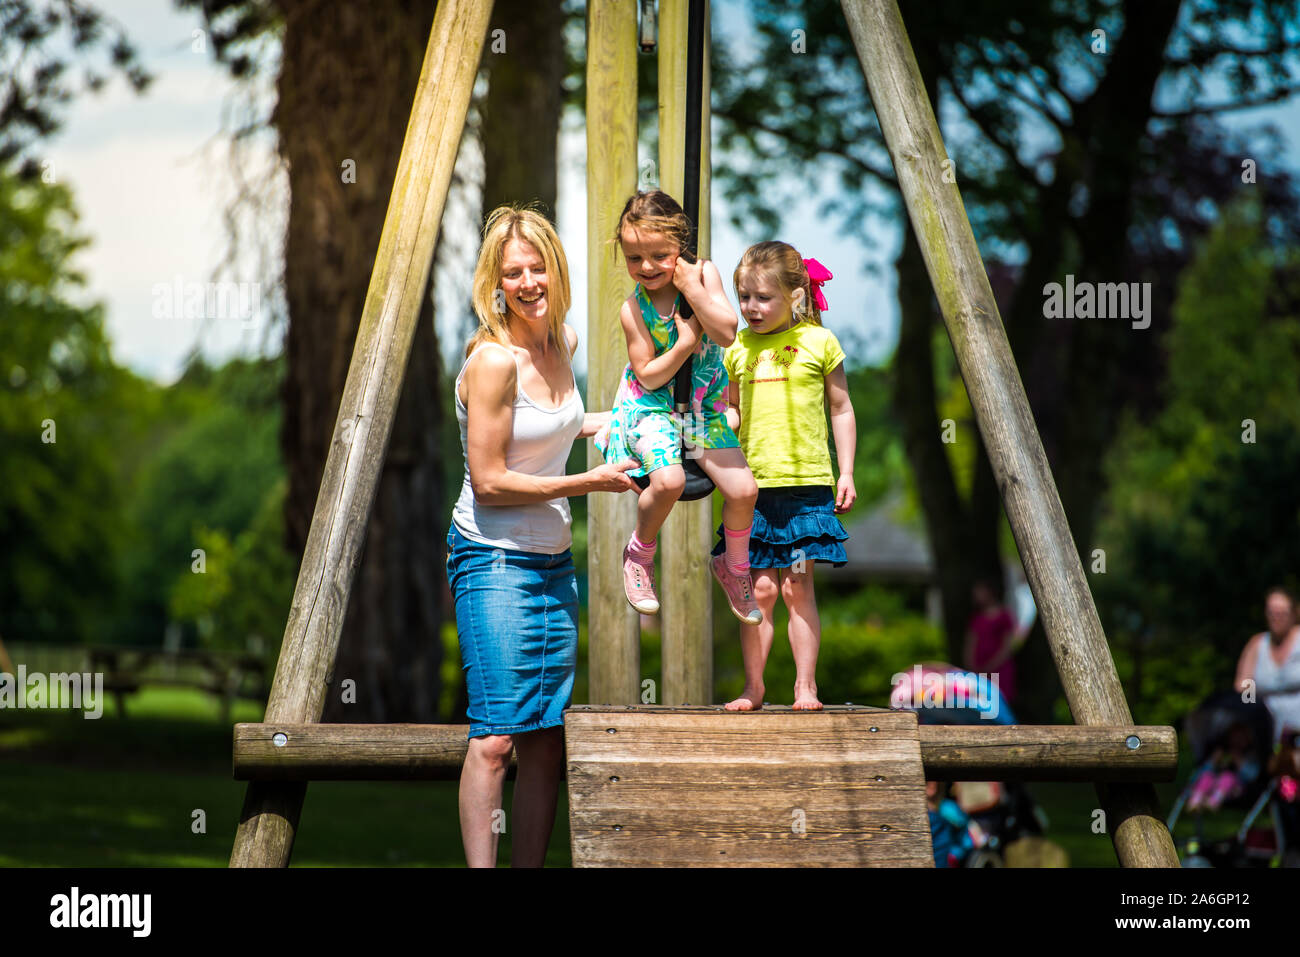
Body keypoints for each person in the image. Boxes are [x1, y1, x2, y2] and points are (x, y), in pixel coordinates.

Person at [448, 206, 636, 867]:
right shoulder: (493, 361)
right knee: (497, 737)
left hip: (554, 567)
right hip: (493, 560)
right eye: (513, 273)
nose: (528, 282)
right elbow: (493, 480)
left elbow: (556, 426)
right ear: (494, 282)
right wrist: (592, 485)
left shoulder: (563, 344)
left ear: (556, 269)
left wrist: (631, 421)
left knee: (547, 739)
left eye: (538, 268)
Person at [594, 190, 762, 624]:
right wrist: (686, 342)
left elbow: (726, 331)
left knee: (745, 491)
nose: (646, 267)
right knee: (667, 482)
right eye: (634, 258)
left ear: (680, 246)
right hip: (650, 408)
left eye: (659, 255)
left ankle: (733, 565)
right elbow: (648, 375)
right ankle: (639, 553)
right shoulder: (634, 309)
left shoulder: (703, 274)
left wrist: (691, 287)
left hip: (701, 410)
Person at [711, 241, 857, 712]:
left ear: (795, 296)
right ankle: (754, 687)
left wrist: (846, 471)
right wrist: (720, 427)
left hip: (805, 490)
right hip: (753, 493)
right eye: (743, 296)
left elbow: (842, 408)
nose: (751, 308)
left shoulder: (820, 342)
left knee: (796, 586)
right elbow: (732, 408)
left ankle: (805, 687)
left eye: (762, 298)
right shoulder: (736, 347)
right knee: (761, 592)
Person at [1234, 586, 1300, 744]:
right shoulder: (1257, 644)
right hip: (1266, 733)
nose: (1276, 618)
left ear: (1293, 614)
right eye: (1272, 613)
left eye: (1281, 613)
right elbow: (1242, 686)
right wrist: (1253, 706)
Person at [963, 578, 1028, 706]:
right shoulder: (976, 618)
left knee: (999, 704)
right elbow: (970, 645)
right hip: (978, 672)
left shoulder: (1004, 616)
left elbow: (1006, 647)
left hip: (1000, 671)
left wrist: (990, 667)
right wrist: (971, 667)